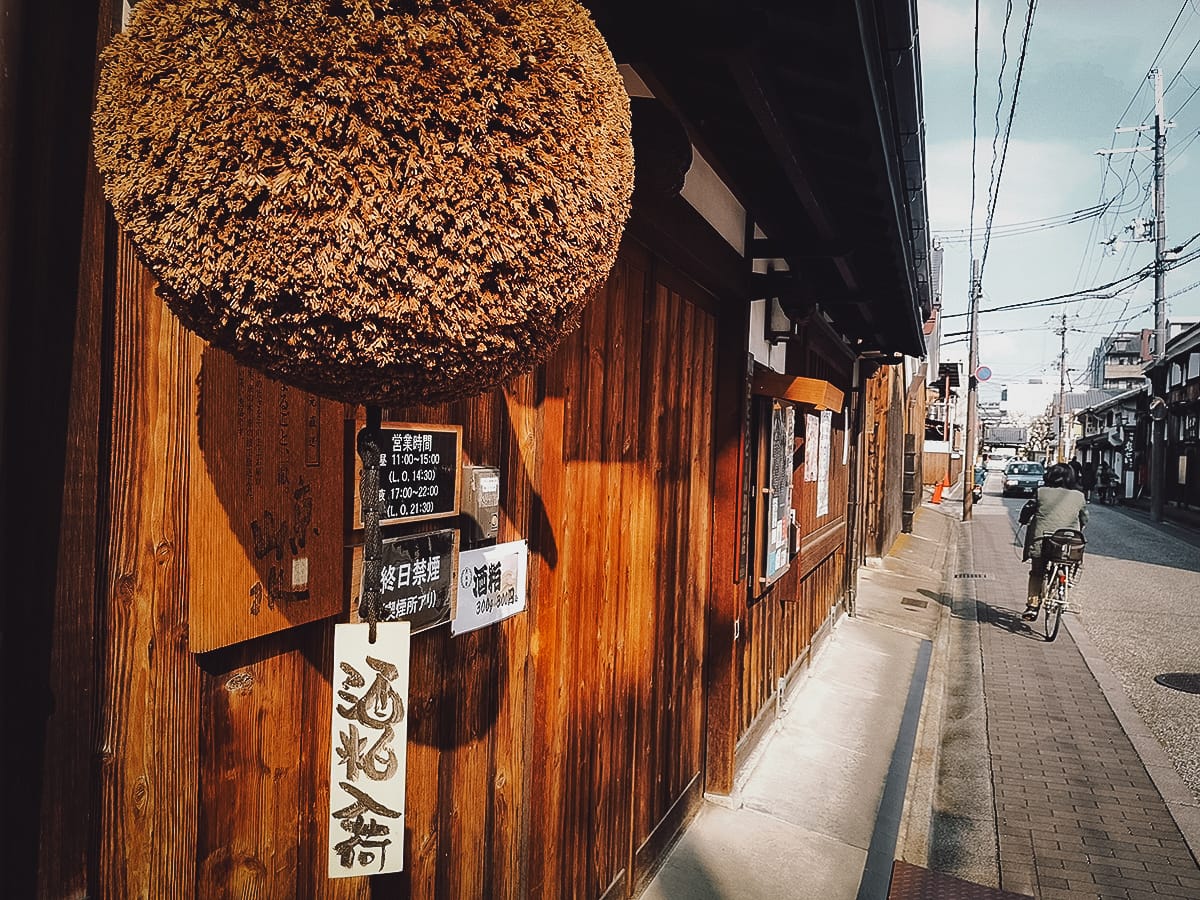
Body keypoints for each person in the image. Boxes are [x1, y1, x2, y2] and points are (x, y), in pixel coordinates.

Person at [1021, 463, 1087, 620]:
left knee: (1037, 572)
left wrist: (1023, 519)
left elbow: (1028, 510)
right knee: (1064, 562)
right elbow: (1084, 518)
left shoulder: (1041, 492)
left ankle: (1033, 606)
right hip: (1069, 543)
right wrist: (1081, 527)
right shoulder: (1079, 496)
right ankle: (1058, 589)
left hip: (1042, 541)